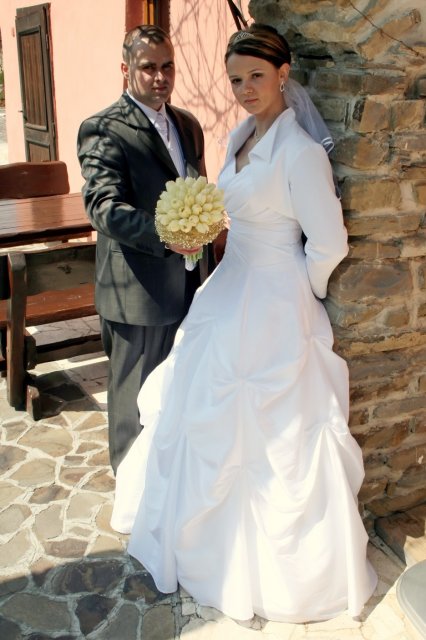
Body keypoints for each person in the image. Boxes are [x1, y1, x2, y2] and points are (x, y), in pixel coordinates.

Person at [110, 23, 378, 623]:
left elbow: (329, 243)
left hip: (276, 295)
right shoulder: (239, 136)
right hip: (228, 288)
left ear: (284, 74)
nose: (245, 89)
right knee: (197, 405)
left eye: (257, 76)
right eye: (235, 80)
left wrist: (304, 291)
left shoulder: (301, 153)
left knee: (273, 434)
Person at [77, 25, 208, 474]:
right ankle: (130, 491)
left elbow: (196, 187)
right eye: (148, 67)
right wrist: (166, 234)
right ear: (126, 69)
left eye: (167, 66)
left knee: (174, 390)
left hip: (189, 281)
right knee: (132, 402)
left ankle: (165, 483)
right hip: (136, 289)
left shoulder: (188, 125)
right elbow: (103, 207)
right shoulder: (103, 128)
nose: (159, 76)